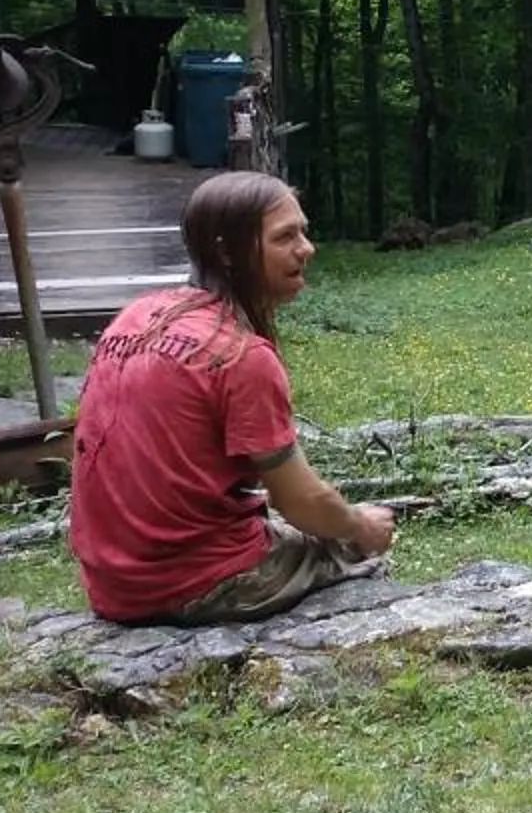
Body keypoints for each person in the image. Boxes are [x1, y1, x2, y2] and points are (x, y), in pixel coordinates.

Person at [68, 170, 396, 625]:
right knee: (355, 551)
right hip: (193, 583)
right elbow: (300, 501)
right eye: (285, 237)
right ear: (226, 251)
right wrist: (362, 525)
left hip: (113, 584)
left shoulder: (136, 317)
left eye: (303, 232)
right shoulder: (240, 354)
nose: (306, 248)